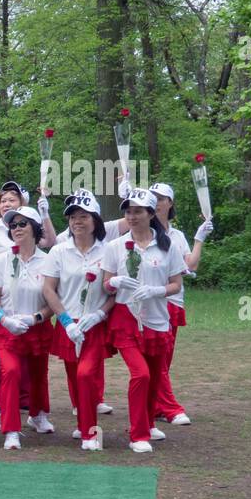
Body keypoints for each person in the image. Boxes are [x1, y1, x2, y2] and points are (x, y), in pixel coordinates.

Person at [99, 189, 186, 453]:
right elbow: (105, 284)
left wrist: (156, 291)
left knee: (155, 375)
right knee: (141, 374)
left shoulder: (167, 246)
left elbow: (176, 284)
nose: (132, 216)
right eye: (128, 211)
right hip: (126, 317)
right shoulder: (115, 246)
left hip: (157, 318)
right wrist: (114, 281)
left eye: (138, 211)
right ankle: (138, 435)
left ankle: (147, 423)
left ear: (150, 213)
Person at [41, 191, 113, 451]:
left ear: (95, 220)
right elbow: (49, 289)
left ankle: (90, 432)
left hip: (95, 324)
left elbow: (114, 291)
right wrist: (65, 320)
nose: (77, 222)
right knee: (74, 375)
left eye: (83, 216)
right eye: (73, 217)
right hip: (68, 323)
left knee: (86, 375)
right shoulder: (59, 251)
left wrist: (99, 314)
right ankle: (84, 420)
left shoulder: (109, 251)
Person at [0, 206, 55, 449]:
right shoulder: (0, 260)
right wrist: (5, 319)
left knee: (38, 373)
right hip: (7, 327)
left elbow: (52, 301)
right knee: (11, 372)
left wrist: (36, 318)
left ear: (35, 228)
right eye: (13, 225)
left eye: (22, 224)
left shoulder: (48, 261)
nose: (16, 229)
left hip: (36, 327)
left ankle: (37, 414)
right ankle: (11, 429)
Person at [150, 181, 213, 426]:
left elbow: (191, 265)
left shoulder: (177, 236)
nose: (156, 202)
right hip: (156, 302)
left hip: (175, 301)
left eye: (161, 198)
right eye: (152, 197)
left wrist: (199, 237)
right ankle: (170, 408)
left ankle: (154, 405)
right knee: (158, 358)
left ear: (170, 203)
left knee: (164, 361)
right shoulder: (146, 233)